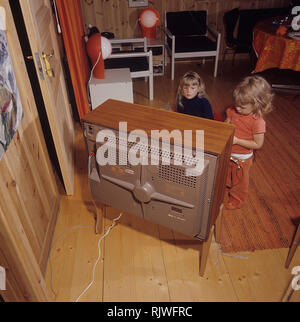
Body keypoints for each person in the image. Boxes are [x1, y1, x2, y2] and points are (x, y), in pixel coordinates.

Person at [225, 75, 274, 210]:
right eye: (236, 104)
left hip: (242, 158)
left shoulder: (258, 122)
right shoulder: (233, 111)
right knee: (226, 172)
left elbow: (258, 144)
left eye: (242, 106)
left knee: (240, 180)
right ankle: (226, 186)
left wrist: (238, 141)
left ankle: (237, 199)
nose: (238, 108)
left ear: (257, 104)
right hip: (228, 151)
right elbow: (227, 124)